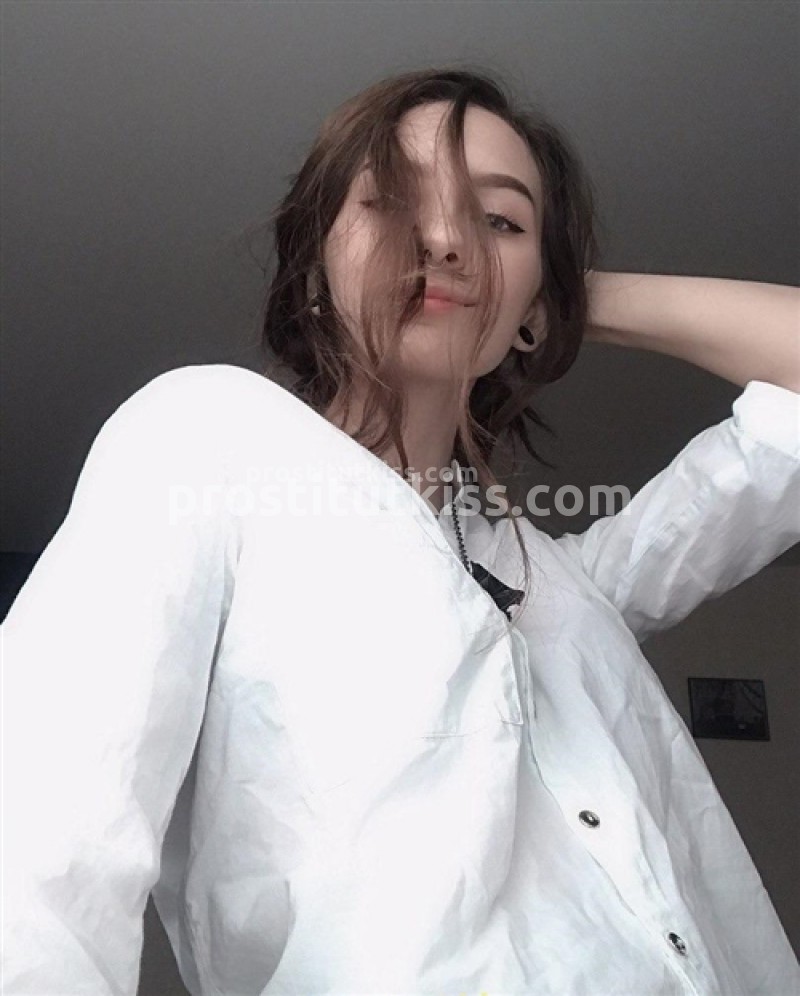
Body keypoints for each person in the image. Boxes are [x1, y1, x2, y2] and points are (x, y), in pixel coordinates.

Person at [2, 66, 799, 996]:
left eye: (499, 220)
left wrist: (548, 298)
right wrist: (505, 268)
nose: (448, 239)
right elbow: (38, 842)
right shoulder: (209, 440)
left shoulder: (569, 585)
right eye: (392, 200)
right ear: (317, 263)